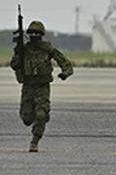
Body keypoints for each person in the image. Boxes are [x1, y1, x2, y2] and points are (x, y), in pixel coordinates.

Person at [9, 21, 73, 152]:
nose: (34, 35)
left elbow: (63, 60)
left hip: (42, 87)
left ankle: (35, 140)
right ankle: (40, 117)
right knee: (26, 119)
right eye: (31, 33)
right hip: (28, 87)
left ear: (41, 35)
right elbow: (14, 65)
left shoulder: (47, 48)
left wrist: (65, 73)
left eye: (37, 33)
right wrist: (17, 53)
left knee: (41, 114)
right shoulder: (24, 49)